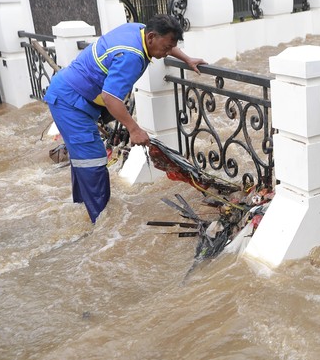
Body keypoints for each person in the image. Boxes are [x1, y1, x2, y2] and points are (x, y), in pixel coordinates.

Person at [44, 14, 206, 223]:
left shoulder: (139, 29)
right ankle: (101, 224)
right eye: (166, 47)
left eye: (170, 47)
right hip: (70, 102)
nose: (167, 52)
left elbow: (168, 42)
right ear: (151, 38)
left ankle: (82, 209)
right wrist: (134, 129)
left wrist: (186, 58)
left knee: (83, 159)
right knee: (92, 161)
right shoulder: (132, 56)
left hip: (72, 94)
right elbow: (110, 98)